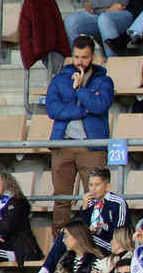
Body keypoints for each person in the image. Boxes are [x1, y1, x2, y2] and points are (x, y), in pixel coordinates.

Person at [43, 37, 113, 225]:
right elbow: (52, 110)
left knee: (96, 197)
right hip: (63, 145)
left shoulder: (104, 81)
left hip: (91, 147)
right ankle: (59, 247)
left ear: (93, 56)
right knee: (61, 199)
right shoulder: (59, 79)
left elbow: (100, 106)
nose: (80, 62)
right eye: (76, 57)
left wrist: (80, 88)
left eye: (84, 57)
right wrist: (84, 109)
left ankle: (95, 244)